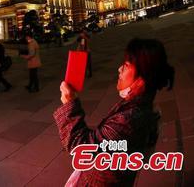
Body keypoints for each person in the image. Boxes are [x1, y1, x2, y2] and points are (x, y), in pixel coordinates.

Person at [54, 38, 175, 186]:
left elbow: (82, 148)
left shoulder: (130, 119)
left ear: (142, 79)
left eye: (126, 65)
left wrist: (69, 104)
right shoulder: (138, 104)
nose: (119, 69)